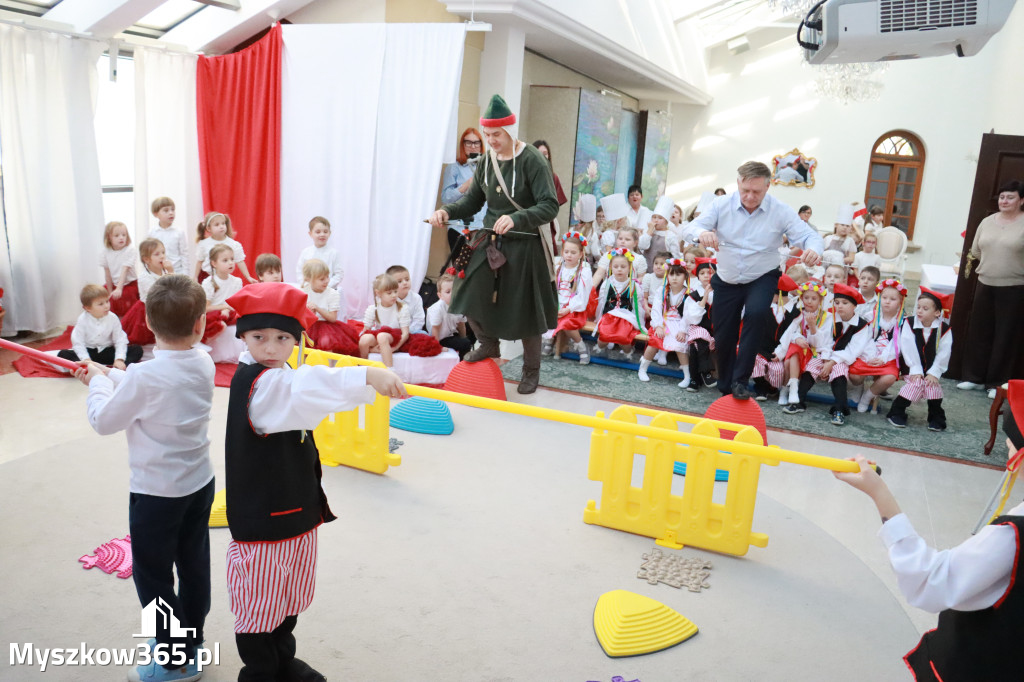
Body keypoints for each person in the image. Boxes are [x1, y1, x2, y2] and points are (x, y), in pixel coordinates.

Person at [223, 282, 405, 682]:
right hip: (264, 519)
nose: (270, 347)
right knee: (259, 605)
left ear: (296, 340)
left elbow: (305, 383)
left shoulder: (280, 371)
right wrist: (366, 376)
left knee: (286, 597)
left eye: (282, 338)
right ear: (243, 337)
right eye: (259, 338)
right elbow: (305, 387)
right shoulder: (262, 382)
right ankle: (261, 672)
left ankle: (283, 661)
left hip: (294, 510)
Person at [832, 381, 1024, 681]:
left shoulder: (1012, 535)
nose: (1006, 444)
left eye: (1011, 437)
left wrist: (879, 493)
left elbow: (931, 582)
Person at [74, 275, 214, 682]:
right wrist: (108, 374)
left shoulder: (144, 377)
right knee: (193, 564)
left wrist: (98, 384)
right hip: (199, 485)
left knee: (151, 574)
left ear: (148, 324)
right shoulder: (203, 361)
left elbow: (104, 420)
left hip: (157, 495)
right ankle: (192, 640)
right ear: (201, 324)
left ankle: (173, 662)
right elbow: (149, 386)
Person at [431, 94, 559, 394]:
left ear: (510, 131)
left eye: (496, 135)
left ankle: (530, 370)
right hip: (489, 239)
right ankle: (488, 343)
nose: (491, 141)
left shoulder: (533, 160)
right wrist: (447, 211)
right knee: (463, 288)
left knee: (526, 309)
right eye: (487, 135)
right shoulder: (487, 161)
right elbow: (473, 201)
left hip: (525, 244)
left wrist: (518, 218)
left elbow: (550, 205)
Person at [684, 161, 823, 399]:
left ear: (768, 187)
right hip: (727, 277)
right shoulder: (721, 205)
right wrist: (701, 233)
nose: (749, 196)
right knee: (724, 334)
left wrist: (813, 249)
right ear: (738, 183)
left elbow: (809, 235)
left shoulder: (780, 210)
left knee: (757, 314)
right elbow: (690, 228)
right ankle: (726, 384)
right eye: (745, 190)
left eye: (756, 192)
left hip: (762, 275)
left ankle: (741, 381)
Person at [958, 180, 1024, 398]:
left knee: (1006, 338)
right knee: (980, 333)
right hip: (985, 284)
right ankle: (974, 378)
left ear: (1021, 200)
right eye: (1002, 197)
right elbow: (975, 251)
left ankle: (997, 383)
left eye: (1010, 197)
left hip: (1014, 288)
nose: (1004, 201)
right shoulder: (987, 222)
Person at [787, 284, 870, 425]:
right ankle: (799, 401)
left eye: (845, 303)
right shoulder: (830, 317)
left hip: (843, 358)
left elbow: (853, 350)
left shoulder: (862, 325)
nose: (840, 306)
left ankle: (839, 409)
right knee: (812, 367)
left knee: (839, 372)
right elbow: (823, 342)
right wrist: (825, 359)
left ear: (854, 306)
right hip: (825, 354)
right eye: (837, 302)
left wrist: (831, 362)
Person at [887, 288, 952, 431]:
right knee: (916, 383)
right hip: (910, 366)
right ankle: (896, 411)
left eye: (925, 308)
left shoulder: (944, 329)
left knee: (932, 386)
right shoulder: (909, 323)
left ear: (937, 313)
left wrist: (934, 372)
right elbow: (908, 347)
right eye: (918, 307)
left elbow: (944, 353)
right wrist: (915, 369)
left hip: (930, 368)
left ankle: (936, 416)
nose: (919, 311)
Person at [850, 278, 906, 413]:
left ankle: (868, 395)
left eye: (893, 299)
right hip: (868, 354)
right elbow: (865, 338)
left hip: (888, 358)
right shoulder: (870, 316)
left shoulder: (903, 322)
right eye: (884, 297)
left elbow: (897, 343)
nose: (887, 301)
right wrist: (871, 356)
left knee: (890, 377)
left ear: (900, 302)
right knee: (854, 375)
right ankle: (859, 387)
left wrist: (883, 358)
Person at [58, 284, 143, 369]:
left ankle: (118, 367)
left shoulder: (113, 318)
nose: (106, 306)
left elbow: (119, 339)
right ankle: (88, 366)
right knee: (63, 354)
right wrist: (86, 360)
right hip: (89, 352)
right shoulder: (82, 319)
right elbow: (78, 343)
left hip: (107, 351)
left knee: (137, 350)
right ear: (88, 308)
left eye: (107, 301)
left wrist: (119, 359)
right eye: (101, 304)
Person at [777, 280, 830, 409]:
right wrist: (797, 339)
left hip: (814, 352)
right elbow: (790, 332)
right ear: (801, 298)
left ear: (820, 300)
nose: (809, 301)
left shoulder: (826, 317)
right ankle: (793, 388)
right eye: (806, 298)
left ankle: (785, 389)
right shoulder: (798, 313)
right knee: (794, 350)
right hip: (797, 349)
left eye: (814, 298)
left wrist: (812, 328)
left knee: (789, 362)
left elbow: (821, 343)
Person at [639, 258, 690, 386]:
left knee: (681, 345)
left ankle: (687, 376)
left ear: (685, 276)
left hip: (681, 325)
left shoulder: (689, 293)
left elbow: (689, 315)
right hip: (664, 322)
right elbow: (656, 309)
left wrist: (683, 330)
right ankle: (643, 369)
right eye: (671, 274)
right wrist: (658, 326)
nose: (674, 278)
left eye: (678, 274)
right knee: (654, 341)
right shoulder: (662, 290)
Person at [542, 232, 592, 363]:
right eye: (567, 251)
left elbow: (582, 296)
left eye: (573, 252)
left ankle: (581, 346)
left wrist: (568, 308)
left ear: (581, 254)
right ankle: (549, 340)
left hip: (574, 308)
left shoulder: (584, 271)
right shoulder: (557, 266)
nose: (569, 255)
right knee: (545, 314)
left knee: (567, 323)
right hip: (557, 303)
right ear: (562, 251)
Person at [752, 274, 801, 402]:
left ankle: (773, 389)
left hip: (779, 351)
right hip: (762, 347)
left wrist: (780, 353)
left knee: (778, 370)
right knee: (755, 361)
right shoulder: (765, 307)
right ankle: (761, 387)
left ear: (777, 295)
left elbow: (789, 335)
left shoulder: (795, 313)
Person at [441, 128, 488, 251]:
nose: (473, 146)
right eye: (468, 142)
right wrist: (466, 185)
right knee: (460, 269)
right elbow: (446, 198)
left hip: (482, 229)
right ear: (463, 145)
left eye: (476, 142)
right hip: (460, 228)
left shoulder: (487, 168)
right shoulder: (454, 167)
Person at [120, 238, 172, 346]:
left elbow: (175, 285)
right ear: (147, 259)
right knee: (143, 337)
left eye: (163, 252)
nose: (162, 256)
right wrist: (170, 273)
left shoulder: (164, 271)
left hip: (162, 307)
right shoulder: (144, 277)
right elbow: (158, 293)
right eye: (157, 254)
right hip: (147, 309)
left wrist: (170, 272)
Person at [302, 259, 359, 356]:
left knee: (326, 341)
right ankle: (305, 367)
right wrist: (310, 312)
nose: (326, 281)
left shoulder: (332, 294)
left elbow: (332, 318)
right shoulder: (304, 292)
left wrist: (318, 309)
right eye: (321, 279)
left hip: (327, 325)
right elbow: (302, 317)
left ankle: (329, 368)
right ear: (309, 279)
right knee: (303, 341)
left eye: (327, 277)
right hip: (310, 326)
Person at [593, 249, 643, 360]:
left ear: (629, 267)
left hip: (626, 316)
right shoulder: (607, 283)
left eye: (623, 267)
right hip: (609, 315)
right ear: (611, 267)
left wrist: (640, 323)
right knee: (603, 337)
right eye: (616, 267)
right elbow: (601, 302)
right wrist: (598, 318)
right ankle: (601, 348)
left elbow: (638, 306)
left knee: (622, 336)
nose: (619, 269)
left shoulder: (634, 285)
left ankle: (628, 352)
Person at [682, 258, 716, 391]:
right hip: (699, 328)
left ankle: (695, 380)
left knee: (696, 345)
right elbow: (693, 319)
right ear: (698, 276)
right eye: (702, 273)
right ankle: (706, 373)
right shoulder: (693, 296)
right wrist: (705, 296)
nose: (707, 276)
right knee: (698, 337)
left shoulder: (723, 294)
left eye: (710, 272)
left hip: (716, 330)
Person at [194, 211, 256, 284]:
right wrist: (195, 277)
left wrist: (248, 277)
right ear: (209, 228)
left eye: (223, 223)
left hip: (225, 279)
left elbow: (240, 261)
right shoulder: (204, 244)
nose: (221, 226)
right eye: (217, 225)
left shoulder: (233, 244)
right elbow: (199, 262)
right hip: (208, 279)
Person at [201, 244, 242, 344]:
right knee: (219, 323)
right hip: (214, 314)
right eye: (225, 260)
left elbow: (238, 305)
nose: (231, 263)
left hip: (230, 314)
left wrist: (227, 309)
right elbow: (205, 308)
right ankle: (204, 341)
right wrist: (223, 307)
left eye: (232, 259)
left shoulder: (237, 281)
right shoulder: (209, 282)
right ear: (214, 263)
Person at [295, 216, 344, 297]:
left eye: (325, 231)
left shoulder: (334, 253)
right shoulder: (306, 252)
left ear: (329, 233)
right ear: (310, 234)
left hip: (328, 292)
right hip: (309, 292)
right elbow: (300, 271)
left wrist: (325, 286)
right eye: (318, 232)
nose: (322, 234)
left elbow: (339, 274)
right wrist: (308, 286)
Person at [98, 221, 139, 318]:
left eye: (124, 235)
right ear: (109, 237)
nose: (121, 238)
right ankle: (108, 319)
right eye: (116, 235)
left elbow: (125, 270)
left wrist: (119, 289)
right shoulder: (105, 252)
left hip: (129, 283)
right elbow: (107, 273)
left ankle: (124, 320)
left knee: (123, 296)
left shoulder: (130, 250)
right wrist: (109, 291)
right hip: (114, 283)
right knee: (101, 295)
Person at [428, 273, 472, 359]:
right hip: (438, 338)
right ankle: (462, 362)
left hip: (449, 334)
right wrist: (437, 347)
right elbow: (435, 329)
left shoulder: (458, 305)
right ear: (440, 295)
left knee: (472, 330)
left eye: (455, 290)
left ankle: (464, 352)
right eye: (448, 292)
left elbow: (461, 324)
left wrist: (463, 338)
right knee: (465, 343)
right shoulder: (438, 309)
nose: (452, 294)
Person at [149, 196, 190, 276]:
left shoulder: (179, 232)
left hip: (177, 272)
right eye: (166, 210)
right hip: (158, 273)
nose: (171, 213)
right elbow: (149, 254)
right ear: (156, 214)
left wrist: (186, 274)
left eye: (172, 209)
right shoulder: (152, 233)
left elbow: (184, 255)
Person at [641, 195, 682, 265]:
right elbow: (642, 246)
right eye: (654, 217)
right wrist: (649, 231)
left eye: (660, 218)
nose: (656, 220)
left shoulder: (671, 236)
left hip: (663, 270)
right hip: (646, 268)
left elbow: (675, 257)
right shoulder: (647, 231)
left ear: (666, 222)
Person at [386, 265, 426, 334]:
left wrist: (407, 332)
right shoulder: (388, 299)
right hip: (392, 331)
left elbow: (419, 319)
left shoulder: (416, 298)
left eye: (407, 279)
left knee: (424, 335)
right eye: (399, 281)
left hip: (411, 331)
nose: (405, 283)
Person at [532, 140, 568, 207]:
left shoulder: (553, 177)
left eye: (545, 154)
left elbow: (556, 204)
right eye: (538, 153)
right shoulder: (524, 176)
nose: (542, 156)